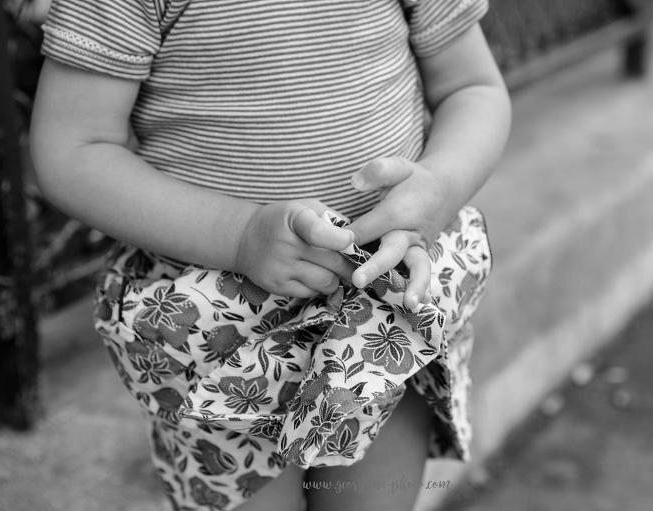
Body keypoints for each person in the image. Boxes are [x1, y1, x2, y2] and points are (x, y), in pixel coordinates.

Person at [30, 0, 511, 509]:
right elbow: (72, 149)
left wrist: (438, 187)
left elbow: (471, 87)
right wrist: (238, 234)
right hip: (218, 332)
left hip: (383, 308)